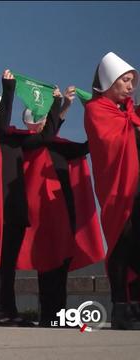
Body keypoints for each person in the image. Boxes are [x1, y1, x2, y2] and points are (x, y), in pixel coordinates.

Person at [0, 70, 59, 326]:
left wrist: (56, 106)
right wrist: (8, 89)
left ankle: (10, 311)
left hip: (14, 207)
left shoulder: (13, 139)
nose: (4, 116)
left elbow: (45, 137)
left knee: (7, 265)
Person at [17, 88, 105, 327]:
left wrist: (99, 119)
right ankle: (50, 315)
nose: (47, 121)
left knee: (62, 262)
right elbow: (47, 135)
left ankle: (58, 314)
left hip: (65, 211)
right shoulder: (27, 142)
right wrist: (62, 106)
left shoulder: (59, 145)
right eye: (44, 118)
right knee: (48, 264)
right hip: (43, 214)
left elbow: (85, 147)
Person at [84, 52, 140, 330]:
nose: (131, 87)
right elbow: (110, 143)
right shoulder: (96, 109)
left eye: (132, 81)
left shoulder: (129, 111)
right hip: (118, 188)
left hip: (138, 186)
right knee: (122, 241)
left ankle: (136, 306)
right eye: (125, 81)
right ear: (109, 82)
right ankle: (120, 307)